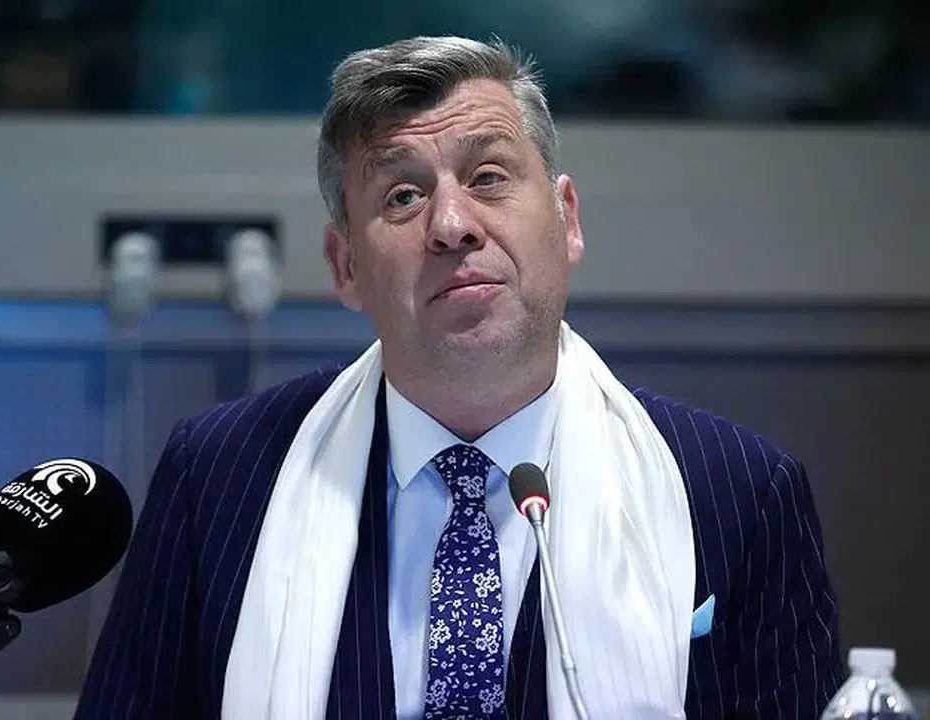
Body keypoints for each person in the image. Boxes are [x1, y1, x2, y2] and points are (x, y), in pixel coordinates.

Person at [74, 35, 846, 719]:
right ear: (346, 265)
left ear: (568, 220)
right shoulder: (219, 476)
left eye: (488, 177)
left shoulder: (740, 493)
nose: (452, 226)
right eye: (403, 195)